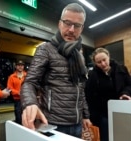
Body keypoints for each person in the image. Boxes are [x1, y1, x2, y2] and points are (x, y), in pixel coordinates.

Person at [20, 3, 92, 138]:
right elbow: (29, 82)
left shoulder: (79, 56)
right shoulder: (45, 49)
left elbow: (80, 90)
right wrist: (30, 103)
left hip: (76, 124)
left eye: (76, 26)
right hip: (53, 124)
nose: (71, 29)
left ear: (81, 29)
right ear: (60, 24)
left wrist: (85, 116)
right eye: (67, 23)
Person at [85, 48, 131, 141]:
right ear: (95, 63)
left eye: (104, 60)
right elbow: (89, 95)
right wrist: (88, 115)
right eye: (99, 62)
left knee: (123, 135)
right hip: (103, 114)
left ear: (109, 57)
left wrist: (126, 93)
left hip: (121, 110)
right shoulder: (92, 75)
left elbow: (130, 86)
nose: (103, 64)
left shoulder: (121, 69)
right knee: (106, 137)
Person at [7, 60, 27, 124]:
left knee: (27, 118)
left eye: (22, 65)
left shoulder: (27, 76)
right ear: (16, 66)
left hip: (27, 100)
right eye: (19, 65)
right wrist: (17, 92)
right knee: (19, 118)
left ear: (23, 67)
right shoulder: (11, 77)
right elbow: (9, 88)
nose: (20, 67)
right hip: (17, 101)